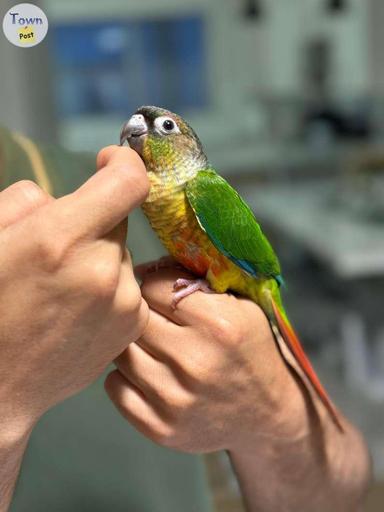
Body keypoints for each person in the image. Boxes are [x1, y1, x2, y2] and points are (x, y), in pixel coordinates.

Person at [0, 129, 371, 512]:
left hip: (248, 277)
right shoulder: (125, 195)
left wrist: (274, 409)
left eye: (164, 127)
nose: (138, 128)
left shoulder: (109, 189)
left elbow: (344, 492)